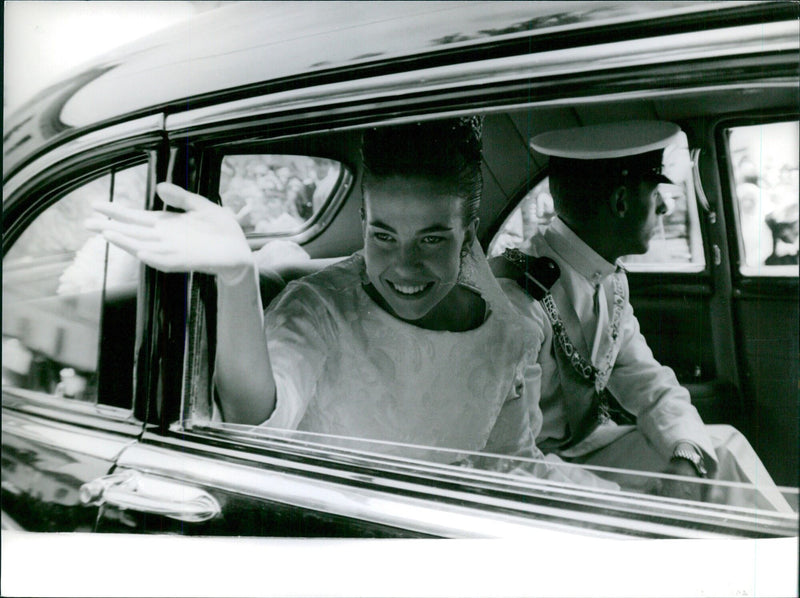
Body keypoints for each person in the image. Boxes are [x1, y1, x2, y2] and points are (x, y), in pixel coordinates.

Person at [88, 117, 612, 484]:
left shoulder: (508, 334)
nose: (404, 267)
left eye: (431, 239)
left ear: (468, 233)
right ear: (362, 223)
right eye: (384, 235)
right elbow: (254, 423)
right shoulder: (319, 308)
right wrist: (236, 276)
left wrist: (614, 508)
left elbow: (508, 464)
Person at [491, 120, 792, 511]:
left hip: (581, 450)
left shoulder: (610, 280)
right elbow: (512, 460)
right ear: (620, 203)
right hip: (531, 473)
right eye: (655, 193)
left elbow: (650, 384)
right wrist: (633, 506)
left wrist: (686, 457)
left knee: (721, 450)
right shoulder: (519, 300)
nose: (665, 206)